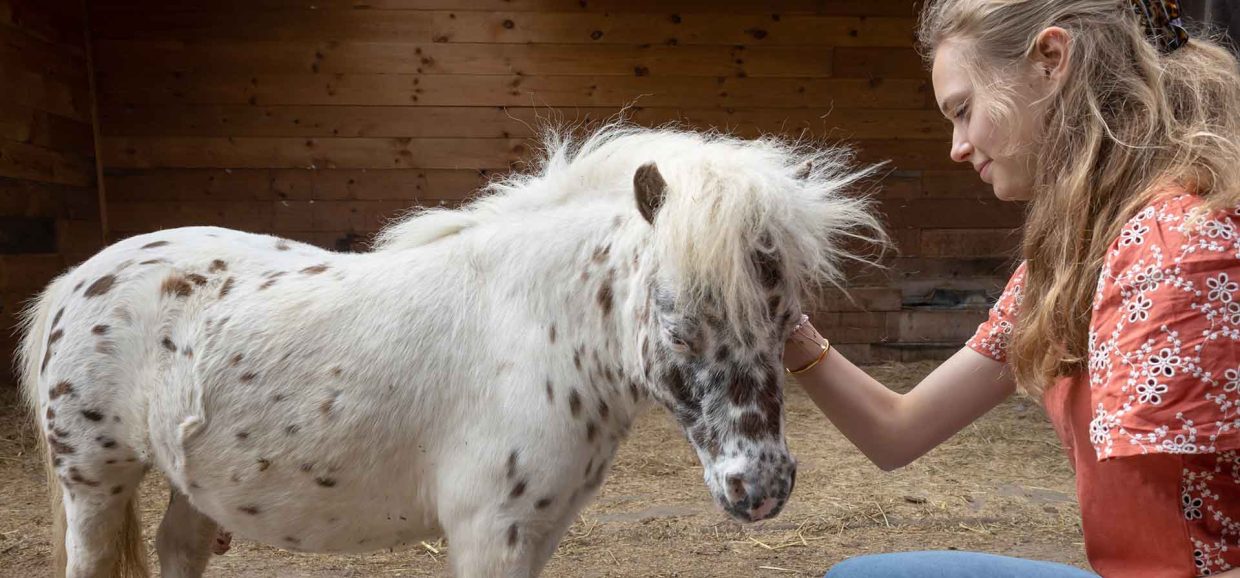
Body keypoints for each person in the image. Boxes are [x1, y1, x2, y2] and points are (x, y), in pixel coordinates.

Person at [783, 1, 1240, 576]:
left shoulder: (1178, 248)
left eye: (963, 110)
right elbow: (896, 432)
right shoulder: (1074, 255)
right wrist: (784, 325)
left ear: (1050, 59)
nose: (957, 145)